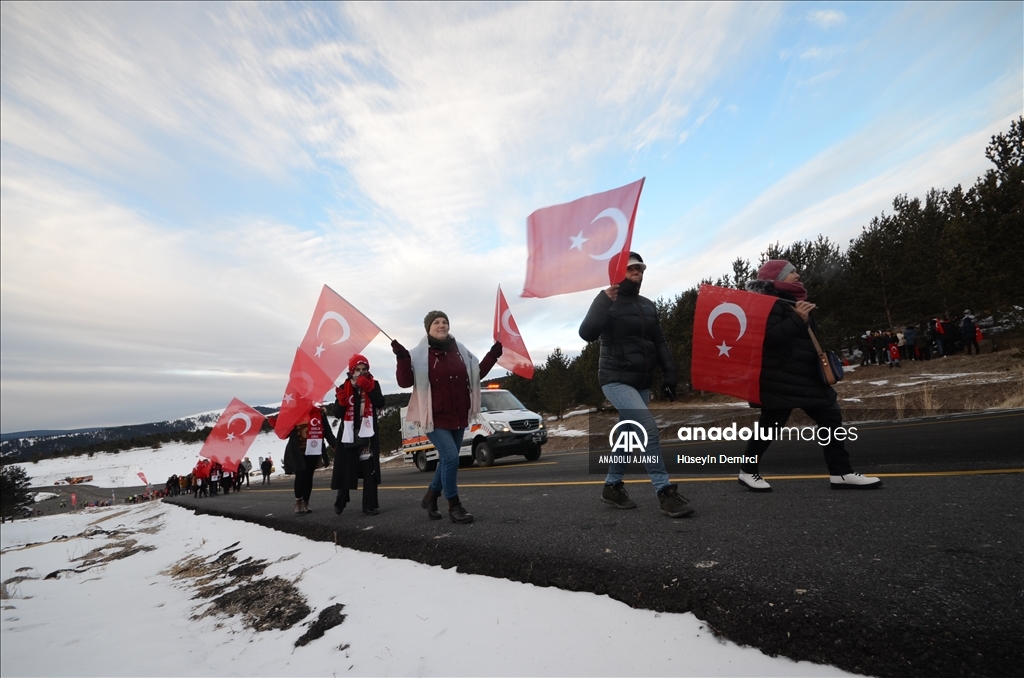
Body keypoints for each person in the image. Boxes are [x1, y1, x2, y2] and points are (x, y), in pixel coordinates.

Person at [738, 260, 882, 492]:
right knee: (771, 426)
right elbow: (769, 339)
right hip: (780, 378)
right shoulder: (766, 304)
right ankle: (747, 471)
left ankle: (841, 472)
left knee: (830, 417)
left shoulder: (793, 301)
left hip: (804, 375)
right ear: (776, 278)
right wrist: (798, 320)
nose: (797, 274)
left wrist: (800, 318)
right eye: (791, 272)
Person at [578, 252, 693, 518]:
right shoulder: (609, 302)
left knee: (626, 439)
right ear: (619, 272)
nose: (637, 271)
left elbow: (660, 342)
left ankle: (612, 486)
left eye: (639, 267)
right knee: (648, 430)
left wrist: (670, 375)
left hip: (641, 382)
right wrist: (601, 301)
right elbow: (587, 333)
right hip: (615, 379)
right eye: (630, 268)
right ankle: (664, 492)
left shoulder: (647, 305)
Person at [393, 311, 502, 524]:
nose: (442, 325)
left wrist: (493, 355)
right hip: (434, 416)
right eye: (436, 322)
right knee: (452, 458)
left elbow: (476, 373)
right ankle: (454, 505)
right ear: (428, 328)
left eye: (445, 322)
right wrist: (402, 358)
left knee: (446, 460)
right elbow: (405, 382)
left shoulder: (460, 350)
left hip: (459, 413)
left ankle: (431, 496)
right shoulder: (418, 354)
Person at [328, 354, 386, 515]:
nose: (361, 372)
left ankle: (369, 505)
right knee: (346, 467)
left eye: (364, 369)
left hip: (368, 433)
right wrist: (340, 403)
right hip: (348, 433)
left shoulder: (374, 384)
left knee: (369, 469)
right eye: (357, 369)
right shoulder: (343, 386)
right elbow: (338, 414)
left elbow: (380, 403)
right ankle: (341, 499)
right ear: (351, 371)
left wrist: (369, 388)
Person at [283, 406, 336, 514]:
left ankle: (306, 501)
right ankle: (298, 500)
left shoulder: (319, 413)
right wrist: (277, 423)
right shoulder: (292, 414)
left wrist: (335, 445)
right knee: (300, 474)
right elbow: (284, 433)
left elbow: (327, 432)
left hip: (313, 449)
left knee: (308, 475)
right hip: (297, 451)